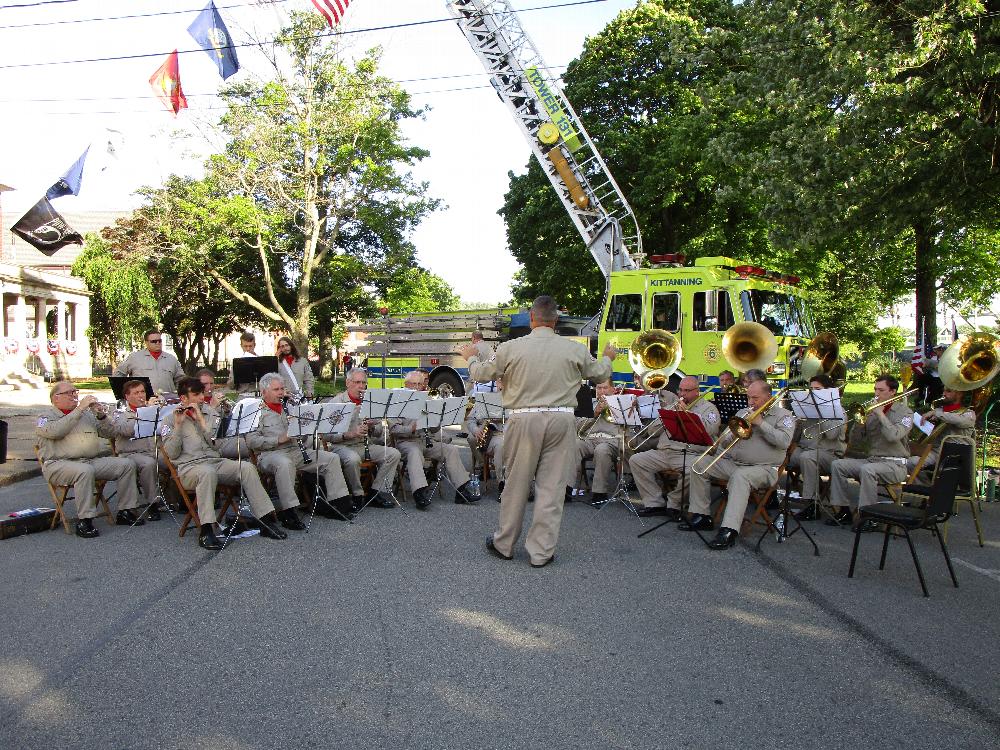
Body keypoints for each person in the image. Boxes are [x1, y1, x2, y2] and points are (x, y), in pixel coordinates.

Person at [459, 295, 616, 568]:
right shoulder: (573, 349)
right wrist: (607, 356)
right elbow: (601, 374)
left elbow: (482, 375)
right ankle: (541, 552)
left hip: (523, 418)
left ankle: (504, 543)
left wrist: (471, 358)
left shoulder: (511, 347)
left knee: (516, 483)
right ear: (556, 320)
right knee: (552, 487)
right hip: (562, 419)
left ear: (532, 318)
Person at [162, 377, 287, 550]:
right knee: (206, 472)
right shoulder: (169, 420)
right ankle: (206, 531)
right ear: (183, 398)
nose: (201, 398)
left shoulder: (208, 411)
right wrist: (177, 427)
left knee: (247, 468)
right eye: (196, 394)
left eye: (202, 394)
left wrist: (201, 421)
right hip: (189, 468)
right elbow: (171, 453)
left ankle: (265, 521)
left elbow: (215, 443)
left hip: (214, 461)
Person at [682, 379, 795, 550]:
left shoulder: (783, 416)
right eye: (749, 397)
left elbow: (784, 442)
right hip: (735, 464)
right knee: (698, 465)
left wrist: (761, 424)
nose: (750, 402)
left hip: (764, 469)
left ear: (768, 396)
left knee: (740, 477)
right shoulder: (744, 412)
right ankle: (702, 515)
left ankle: (729, 529)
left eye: (755, 398)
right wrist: (730, 434)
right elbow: (724, 442)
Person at [36, 381, 143, 538]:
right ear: (56, 398)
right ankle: (85, 520)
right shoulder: (45, 417)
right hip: (58, 464)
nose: (74, 395)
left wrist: (101, 415)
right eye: (69, 393)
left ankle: (125, 511)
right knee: (84, 471)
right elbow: (56, 432)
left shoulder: (87, 414)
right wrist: (79, 409)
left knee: (126, 464)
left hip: (89, 461)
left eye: (75, 392)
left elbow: (111, 433)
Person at [245, 373, 354, 524]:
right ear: (264, 392)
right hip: (270, 454)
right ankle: (289, 513)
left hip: (295, 451)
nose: (281, 393)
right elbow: (252, 442)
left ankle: (339, 504)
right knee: (284, 463)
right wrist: (278, 439)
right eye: (276, 389)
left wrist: (302, 427)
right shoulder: (255, 412)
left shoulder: (289, 407)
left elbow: (303, 437)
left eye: (282, 389)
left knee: (331, 459)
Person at [629, 375, 722, 519]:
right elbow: (651, 432)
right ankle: (654, 503)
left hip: (691, 453)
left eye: (687, 390)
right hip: (665, 452)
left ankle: (674, 502)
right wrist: (668, 416)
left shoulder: (708, 408)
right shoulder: (673, 405)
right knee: (637, 460)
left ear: (697, 391)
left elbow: (711, 430)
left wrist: (687, 414)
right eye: (680, 390)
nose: (682, 394)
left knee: (695, 469)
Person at [828, 375, 912, 531]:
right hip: (874, 460)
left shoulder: (905, 413)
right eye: (875, 389)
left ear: (893, 391)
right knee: (838, 465)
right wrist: (859, 423)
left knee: (868, 470)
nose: (876, 394)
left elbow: (893, 436)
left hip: (895, 464)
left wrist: (881, 415)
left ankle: (869, 517)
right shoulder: (871, 411)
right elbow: (856, 441)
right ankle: (843, 510)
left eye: (881, 390)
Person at [391, 371, 474, 509]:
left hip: (424, 440)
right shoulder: (398, 402)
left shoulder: (427, 400)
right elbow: (393, 429)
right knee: (415, 452)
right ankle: (420, 493)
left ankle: (462, 490)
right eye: (414, 384)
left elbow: (434, 431)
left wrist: (436, 420)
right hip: (406, 442)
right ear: (406, 385)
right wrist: (410, 428)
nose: (418, 387)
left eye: (420, 384)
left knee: (450, 449)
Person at [325, 368, 401, 509]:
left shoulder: (369, 402)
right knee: (353, 459)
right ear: (348, 383)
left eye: (364, 383)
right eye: (357, 382)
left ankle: (375, 492)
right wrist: (350, 434)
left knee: (393, 454)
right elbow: (327, 435)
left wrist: (373, 426)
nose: (361, 386)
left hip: (365, 445)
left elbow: (379, 433)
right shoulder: (336, 403)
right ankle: (357, 495)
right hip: (343, 446)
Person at [787, 374, 846, 520]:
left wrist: (821, 410)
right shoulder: (808, 407)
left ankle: (812, 505)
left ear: (828, 391)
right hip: (805, 450)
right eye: (811, 389)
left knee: (807, 458)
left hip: (829, 454)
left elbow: (832, 435)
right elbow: (798, 435)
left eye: (818, 389)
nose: (813, 392)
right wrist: (795, 421)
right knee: (778, 453)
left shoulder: (838, 410)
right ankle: (771, 496)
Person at [110, 379, 168, 520]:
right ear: (127, 396)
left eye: (142, 391)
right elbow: (125, 430)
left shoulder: (154, 409)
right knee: (148, 464)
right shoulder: (119, 412)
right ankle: (152, 503)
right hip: (131, 453)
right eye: (136, 393)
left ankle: (179, 499)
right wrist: (144, 413)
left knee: (175, 459)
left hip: (153, 450)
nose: (141, 395)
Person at [575, 379, 632, 505]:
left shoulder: (621, 404)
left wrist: (616, 408)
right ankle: (566, 488)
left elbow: (630, 425)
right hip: (590, 439)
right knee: (574, 445)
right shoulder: (589, 404)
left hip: (611, 440)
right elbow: (578, 427)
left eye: (605, 388)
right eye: (598, 388)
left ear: (613, 389)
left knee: (602, 449)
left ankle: (599, 493)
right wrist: (594, 413)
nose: (601, 391)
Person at [906, 387, 975, 475]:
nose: (944, 394)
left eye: (948, 391)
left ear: (959, 394)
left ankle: (921, 484)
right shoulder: (940, 410)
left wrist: (937, 414)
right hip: (933, 449)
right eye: (944, 390)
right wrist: (928, 423)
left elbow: (958, 420)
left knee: (912, 462)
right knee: (902, 450)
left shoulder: (969, 414)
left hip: (951, 455)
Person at [113, 329, 184, 397]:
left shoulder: (171, 359)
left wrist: (178, 395)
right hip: (143, 403)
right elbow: (118, 374)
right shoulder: (135, 358)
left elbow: (181, 380)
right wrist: (126, 393)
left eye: (160, 341)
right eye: (154, 341)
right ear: (146, 343)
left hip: (167, 402)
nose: (158, 343)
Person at [276, 336, 315, 400]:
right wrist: (275, 358)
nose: (285, 348)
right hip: (283, 398)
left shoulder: (303, 361)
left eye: (287, 345)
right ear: (279, 349)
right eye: (282, 346)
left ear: (291, 345)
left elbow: (309, 379)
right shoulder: (277, 363)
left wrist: (309, 393)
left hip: (299, 397)